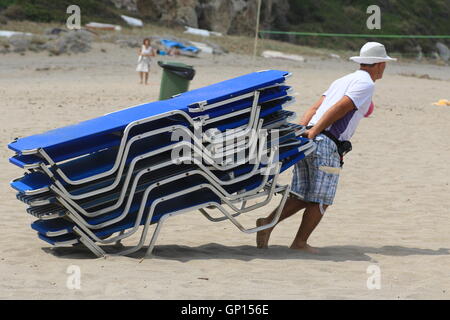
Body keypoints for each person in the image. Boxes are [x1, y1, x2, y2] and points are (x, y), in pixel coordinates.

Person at [256, 42, 396, 253]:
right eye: (384, 63)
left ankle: (267, 224)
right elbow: (341, 108)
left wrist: (303, 131)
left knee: (302, 194)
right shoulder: (366, 84)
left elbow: (315, 107)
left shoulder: (342, 80)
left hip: (309, 139)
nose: (385, 68)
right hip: (326, 142)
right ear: (379, 64)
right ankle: (299, 243)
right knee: (322, 199)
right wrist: (314, 132)